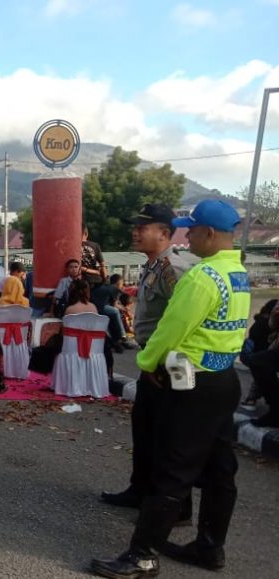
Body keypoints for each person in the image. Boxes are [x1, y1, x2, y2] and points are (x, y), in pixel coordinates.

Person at [91, 200, 249, 577]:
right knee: (220, 467)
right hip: (223, 378)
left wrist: (147, 364)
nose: (188, 235)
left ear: (209, 234)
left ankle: (142, 555)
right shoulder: (237, 273)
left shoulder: (201, 276)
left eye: (192, 230)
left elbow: (172, 329)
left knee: (173, 467)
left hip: (190, 381)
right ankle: (210, 547)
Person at [101, 204, 193, 525]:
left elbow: (186, 321)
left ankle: (175, 509)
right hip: (150, 359)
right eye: (135, 227)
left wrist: (164, 361)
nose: (135, 232)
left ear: (165, 233)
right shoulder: (153, 265)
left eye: (144, 227)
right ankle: (139, 491)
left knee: (168, 437)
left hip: (168, 363)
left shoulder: (174, 269)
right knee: (144, 429)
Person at [238, 299, 278, 411]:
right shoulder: (264, 325)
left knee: (259, 367)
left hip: (257, 352)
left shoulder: (260, 323)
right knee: (261, 366)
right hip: (260, 351)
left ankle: (254, 400)